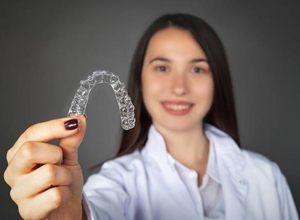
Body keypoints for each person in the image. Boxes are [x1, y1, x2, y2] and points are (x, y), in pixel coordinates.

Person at [3, 13, 299, 220]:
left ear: (217, 81)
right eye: (162, 67)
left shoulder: (266, 178)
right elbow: (97, 210)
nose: (179, 87)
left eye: (197, 68)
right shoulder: (116, 183)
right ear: (140, 79)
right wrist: (72, 216)